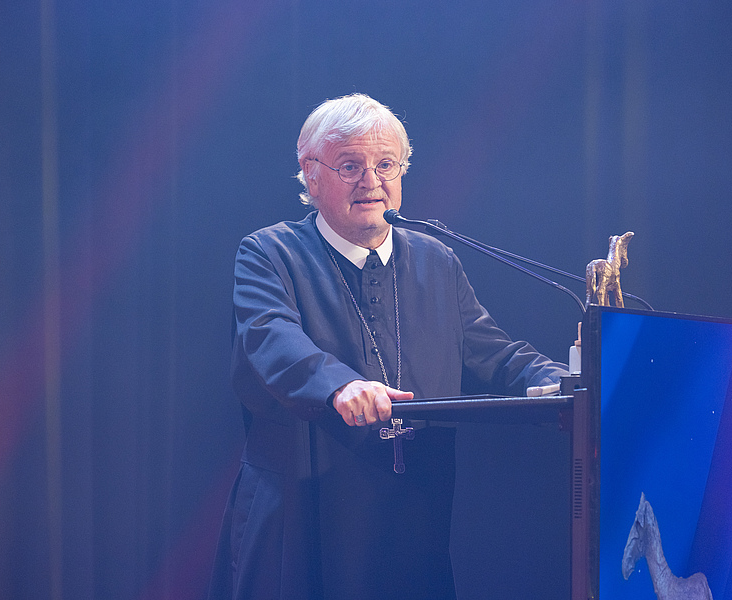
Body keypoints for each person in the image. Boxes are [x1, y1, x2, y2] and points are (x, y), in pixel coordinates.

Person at [209, 93, 567, 600]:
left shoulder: (434, 259)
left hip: (411, 513)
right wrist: (340, 386)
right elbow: (273, 340)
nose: (371, 181)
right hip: (301, 507)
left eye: (385, 164)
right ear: (310, 174)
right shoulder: (271, 253)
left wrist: (563, 381)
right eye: (350, 165)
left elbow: (494, 353)